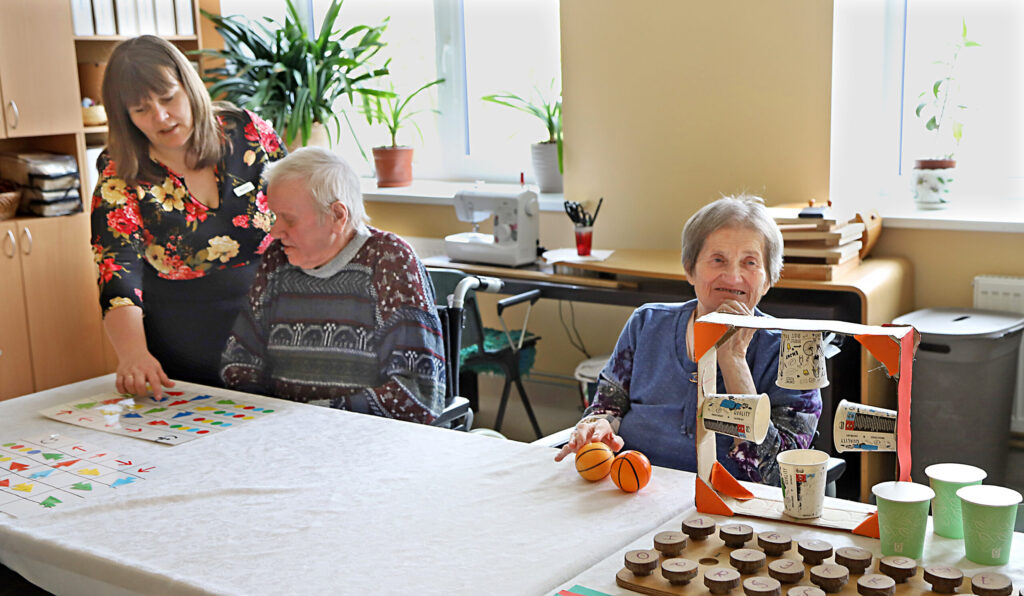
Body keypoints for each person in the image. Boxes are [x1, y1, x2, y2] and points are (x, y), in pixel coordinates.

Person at [554, 196, 821, 484]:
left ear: (769, 279)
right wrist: (597, 429)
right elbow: (606, 408)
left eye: (750, 262)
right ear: (689, 269)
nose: (732, 277)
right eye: (717, 260)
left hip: (734, 510)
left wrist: (734, 362)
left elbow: (783, 478)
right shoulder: (646, 323)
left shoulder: (798, 352)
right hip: (635, 492)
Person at [91, 36, 286, 397]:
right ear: (125, 117)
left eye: (168, 98)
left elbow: (298, 208)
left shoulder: (247, 132)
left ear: (189, 84)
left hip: (278, 333)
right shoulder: (120, 170)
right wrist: (133, 354)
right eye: (141, 109)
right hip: (188, 348)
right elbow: (117, 270)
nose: (161, 117)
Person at [220, 147, 445, 424]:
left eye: (288, 219)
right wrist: (270, 418)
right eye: (274, 217)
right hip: (282, 432)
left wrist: (312, 416)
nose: (275, 231)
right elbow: (239, 363)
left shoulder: (390, 261)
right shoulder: (277, 261)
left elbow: (416, 394)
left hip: (369, 439)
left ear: (338, 215)